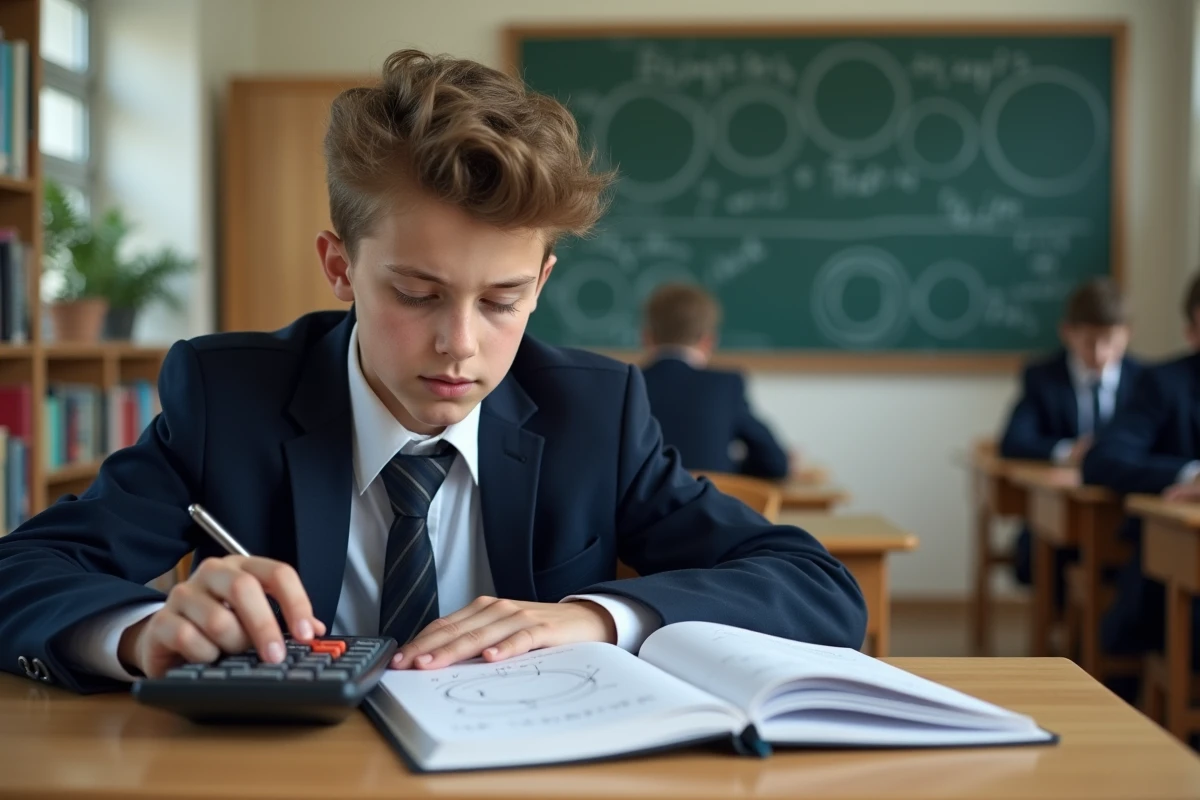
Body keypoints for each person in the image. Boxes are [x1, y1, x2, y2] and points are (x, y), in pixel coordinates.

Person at [0, 49, 865, 694]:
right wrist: (142, 631)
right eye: (417, 293)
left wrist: (597, 618)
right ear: (339, 267)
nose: (459, 344)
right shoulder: (231, 400)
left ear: (543, 284)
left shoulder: (594, 414)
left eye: (502, 301)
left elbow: (817, 588)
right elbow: (21, 574)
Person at [1082, 272, 1200, 668]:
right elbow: (1101, 460)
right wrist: (1188, 475)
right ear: (1192, 333)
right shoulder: (1164, 384)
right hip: (1176, 569)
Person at [999, 277, 1142, 597]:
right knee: (1042, 552)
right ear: (1068, 333)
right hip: (1059, 516)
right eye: (1090, 341)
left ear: (1127, 334)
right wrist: (1070, 452)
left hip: (1122, 508)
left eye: (1111, 340)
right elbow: (1013, 441)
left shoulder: (1146, 379)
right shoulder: (1042, 376)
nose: (1101, 353)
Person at [640, 283, 791, 479]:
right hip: (706, 505)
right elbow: (775, 463)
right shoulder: (726, 385)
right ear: (708, 340)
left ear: (646, 337)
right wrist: (729, 469)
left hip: (641, 508)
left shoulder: (625, 385)